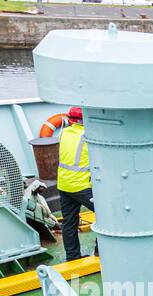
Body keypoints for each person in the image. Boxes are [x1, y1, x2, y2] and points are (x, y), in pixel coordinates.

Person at [56, 107, 95, 262]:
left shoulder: (64, 132)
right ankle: (101, 251)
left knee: (69, 223)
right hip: (82, 186)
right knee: (106, 216)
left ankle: (73, 257)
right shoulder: (89, 136)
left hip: (64, 185)